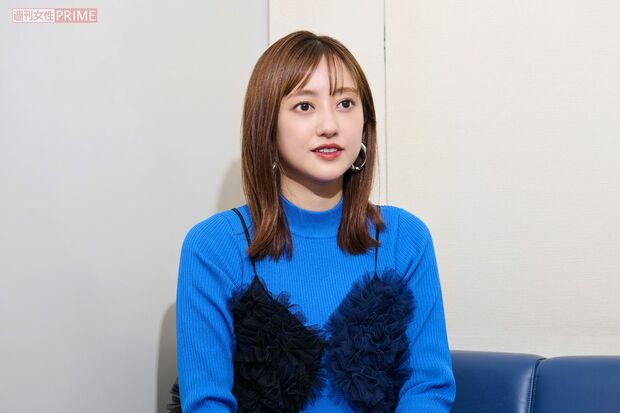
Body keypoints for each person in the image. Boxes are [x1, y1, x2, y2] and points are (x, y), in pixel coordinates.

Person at [174, 30, 456, 413]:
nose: (330, 125)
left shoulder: (405, 238)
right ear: (267, 126)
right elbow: (207, 403)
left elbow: (429, 388)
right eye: (304, 106)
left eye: (345, 103)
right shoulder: (212, 247)